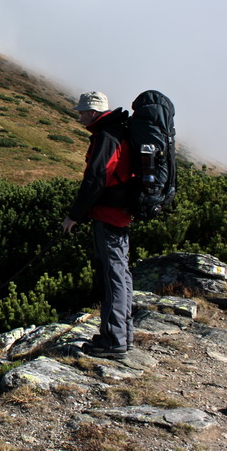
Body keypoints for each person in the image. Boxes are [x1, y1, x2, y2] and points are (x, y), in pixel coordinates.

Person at [61, 91, 133, 359]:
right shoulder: (117, 132)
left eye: (81, 112)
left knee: (112, 275)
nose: (79, 116)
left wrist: (74, 216)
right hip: (120, 213)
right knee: (121, 273)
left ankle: (113, 341)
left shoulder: (106, 136)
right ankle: (123, 335)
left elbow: (95, 180)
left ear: (93, 112)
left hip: (108, 214)